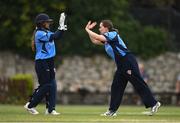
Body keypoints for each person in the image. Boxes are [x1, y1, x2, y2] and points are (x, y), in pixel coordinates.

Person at [85, 20, 161, 116]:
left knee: (138, 83)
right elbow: (95, 41)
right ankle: (112, 111)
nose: (99, 29)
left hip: (128, 61)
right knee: (116, 87)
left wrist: (87, 30)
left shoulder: (112, 34)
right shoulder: (106, 40)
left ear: (106, 27)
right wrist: (88, 30)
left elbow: (97, 37)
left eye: (100, 27)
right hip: (121, 65)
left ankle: (154, 104)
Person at [24, 12, 67, 115]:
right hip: (42, 61)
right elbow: (55, 36)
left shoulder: (46, 32)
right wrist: (60, 27)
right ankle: (30, 105)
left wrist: (62, 28)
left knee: (53, 85)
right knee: (46, 85)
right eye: (47, 22)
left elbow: (58, 36)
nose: (48, 23)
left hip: (49, 61)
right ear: (41, 23)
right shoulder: (39, 33)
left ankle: (50, 109)